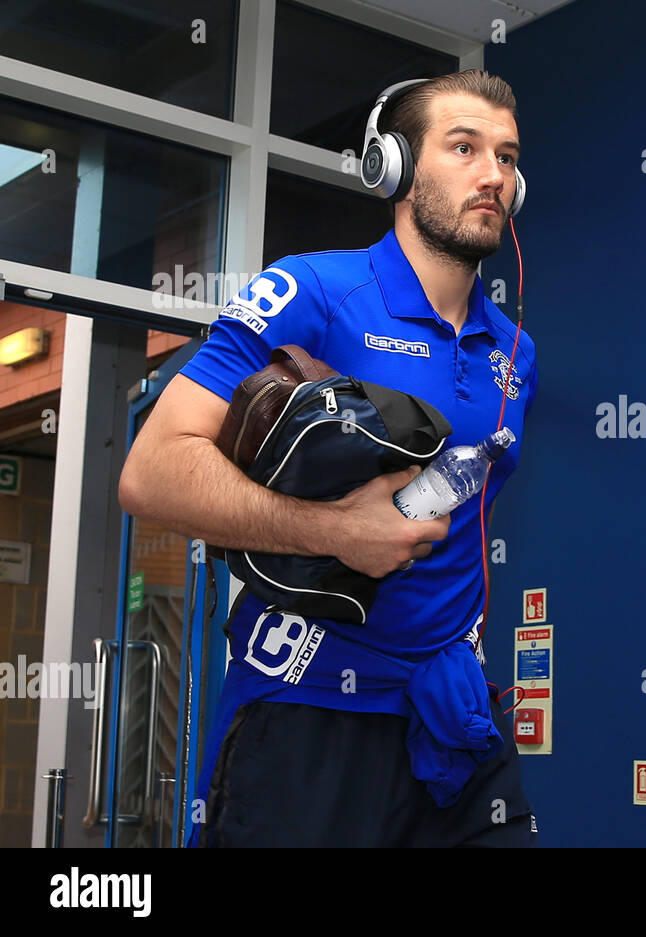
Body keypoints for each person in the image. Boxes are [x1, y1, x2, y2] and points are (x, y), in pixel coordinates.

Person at [118, 69, 539, 847]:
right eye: (464, 147)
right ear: (396, 168)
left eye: (507, 157)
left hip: (451, 716)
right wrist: (336, 530)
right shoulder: (311, 290)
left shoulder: (515, 352)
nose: (494, 175)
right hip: (308, 714)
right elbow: (151, 469)